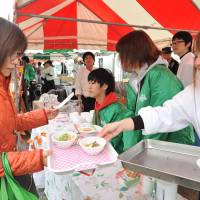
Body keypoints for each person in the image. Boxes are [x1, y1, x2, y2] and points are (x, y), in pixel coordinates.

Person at [98, 32, 200, 146]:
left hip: (169, 148)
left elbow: (161, 126)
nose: (196, 63)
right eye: (196, 56)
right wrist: (125, 133)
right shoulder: (135, 79)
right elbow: (160, 115)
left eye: (121, 54)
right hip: (147, 145)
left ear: (133, 53)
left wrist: (141, 152)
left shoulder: (161, 77)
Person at [0, 17, 58, 196]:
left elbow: (12, 121)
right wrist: (38, 158)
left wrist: (44, 115)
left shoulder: (3, 84)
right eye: (16, 54)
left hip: (13, 163)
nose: (18, 61)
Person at [88, 68, 132, 153]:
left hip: (114, 154)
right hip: (100, 148)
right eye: (89, 83)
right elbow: (94, 129)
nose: (89, 87)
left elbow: (113, 142)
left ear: (105, 86)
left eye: (93, 83)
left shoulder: (117, 109)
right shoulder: (98, 104)